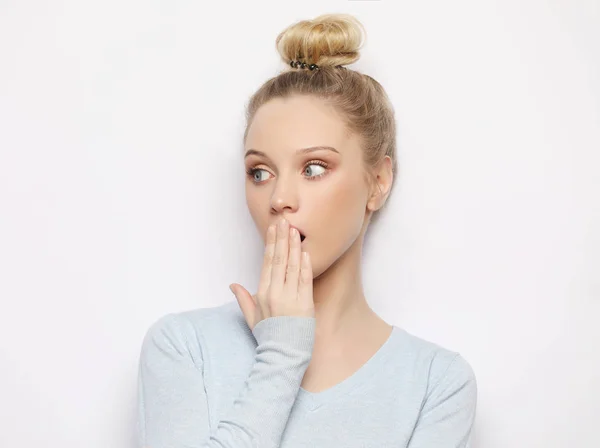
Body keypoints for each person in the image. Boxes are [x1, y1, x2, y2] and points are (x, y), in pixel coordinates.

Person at [136, 13, 477, 448]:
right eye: (260, 172)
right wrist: (283, 354)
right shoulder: (183, 348)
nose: (279, 198)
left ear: (378, 182)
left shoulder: (436, 384)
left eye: (314, 168)